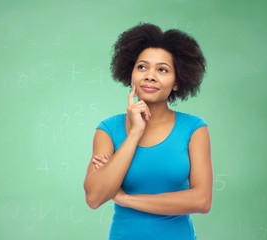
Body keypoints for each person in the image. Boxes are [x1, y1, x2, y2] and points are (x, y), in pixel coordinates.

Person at [83, 23, 213, 240]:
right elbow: (95, 198)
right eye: (142, 67)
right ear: (130, 74)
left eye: (162, 69)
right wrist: (134, 133)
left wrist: (126, 199)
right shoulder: (108, 129)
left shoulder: (194, 129)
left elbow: (202, 201)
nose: (150, 76)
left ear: (177, 82)